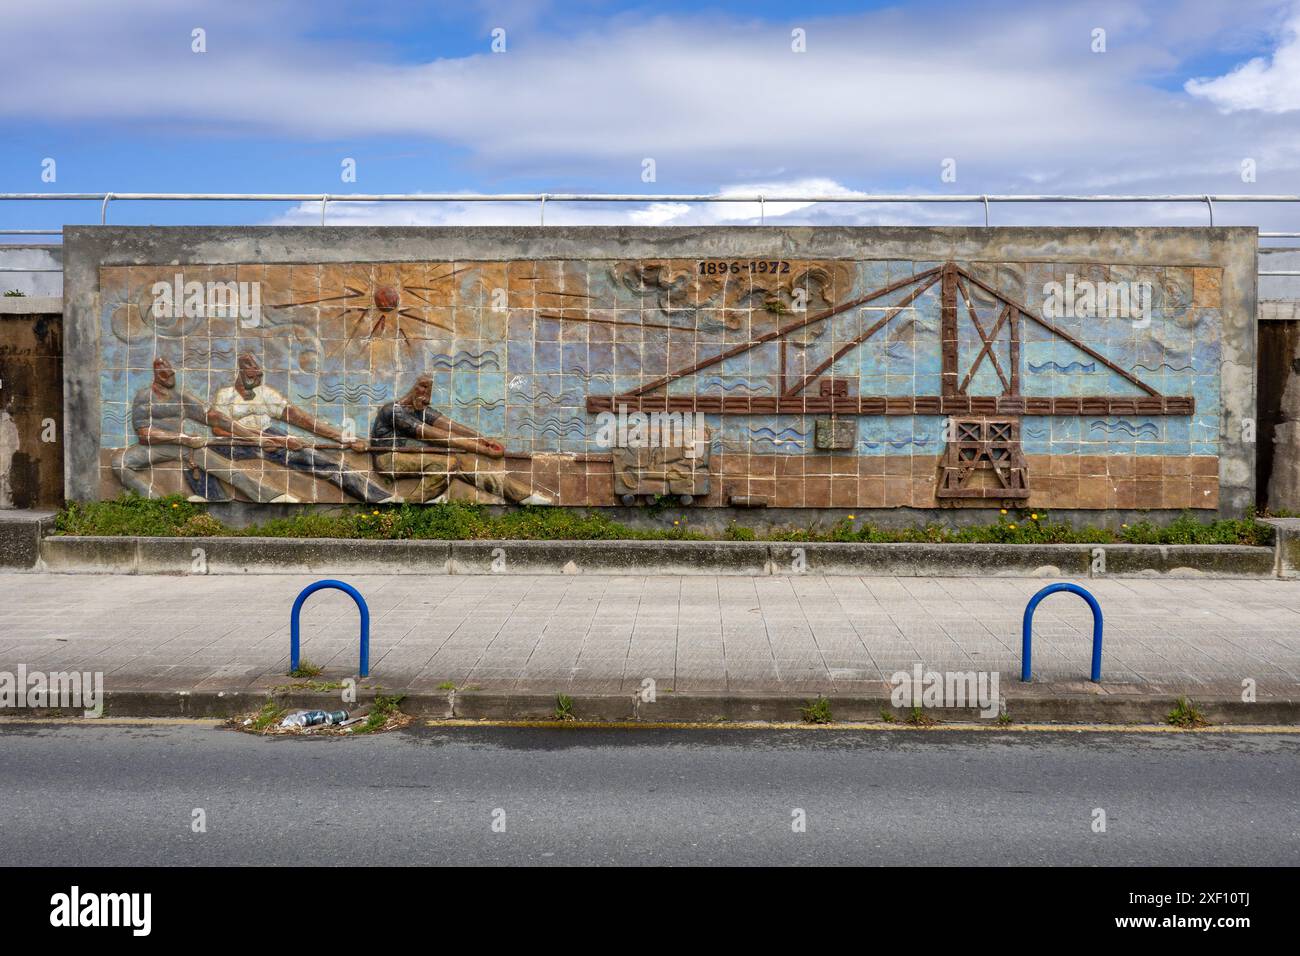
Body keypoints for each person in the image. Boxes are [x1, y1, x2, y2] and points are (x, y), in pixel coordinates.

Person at [207, 352, 397, 504]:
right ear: (240, 373)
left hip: (272, 437)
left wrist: (345, 439)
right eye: (251, 374)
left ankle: (380, 498)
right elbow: (218, 429)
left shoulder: (265, 394)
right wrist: (262, 439)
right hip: (240, 443)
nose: (256, 378)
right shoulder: (225, 396)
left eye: (258, 374)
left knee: (325, 463)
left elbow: (302, 420)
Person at [112, 357, 294, 502]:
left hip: (185, 447)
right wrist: (182, 438)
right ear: (156, 375)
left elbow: (216, 418)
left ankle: (273, 496)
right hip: (155, 447)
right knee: (120, 463)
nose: (169, 378)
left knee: (227, 469)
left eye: (171, 374)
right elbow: (144, 434)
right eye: (164, 375)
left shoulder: (181, 397)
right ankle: (158, 503)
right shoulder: (144, 397)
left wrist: (257, 439)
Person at [370, 374, 552, 504]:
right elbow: (435, 435)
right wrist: (481, 449)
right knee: (447, 465)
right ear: (415, 388)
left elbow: (448, 425)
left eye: (430, 392)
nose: (427, 398)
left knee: (463, 461)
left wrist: (482, 440)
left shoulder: (419, 410)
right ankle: (409, 503)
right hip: (388, 458)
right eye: (424, 390)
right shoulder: (393, 411)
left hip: (412, 454)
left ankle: (522, 496)